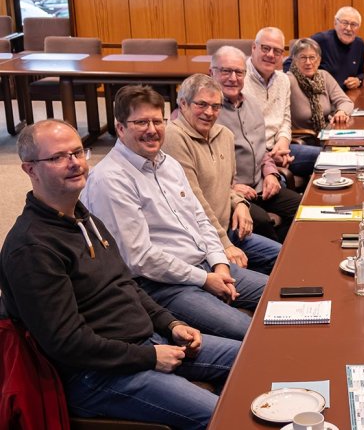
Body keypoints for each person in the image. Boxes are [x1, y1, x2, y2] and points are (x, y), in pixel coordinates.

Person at [0, 119, 240, 429]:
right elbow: (68, 344)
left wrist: (171, 324)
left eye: (78, 152)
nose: (75, 163)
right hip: (96, 375)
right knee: (228, 417)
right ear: (30, 169)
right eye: (58, 157)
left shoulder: (84, 218)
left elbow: (126, 284)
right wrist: (149, 358)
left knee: (253, 359)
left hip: (144, 342)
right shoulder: (31, 248)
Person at [81, 85, 267, 341]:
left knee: (282, 296)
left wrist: (220, 263)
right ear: (120, 127)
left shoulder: (168, 164)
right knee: (254, 335)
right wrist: (204, 278)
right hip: (164, 285)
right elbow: (139, 258)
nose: (152, 129)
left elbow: (200, 219)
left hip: (206, 265)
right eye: (141, 122)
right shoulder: (110, 180)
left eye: (158, 121)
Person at [162, 75, 279, 274]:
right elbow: (194, 199)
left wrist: (240, 202)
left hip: (228, 231)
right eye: (201, 104)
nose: (209, 112)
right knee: (268, 283)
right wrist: (224, 244)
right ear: (183, 104)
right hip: (201, 243)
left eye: (216, 106)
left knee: (287, 258)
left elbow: (228, 186)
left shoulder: (225, 135)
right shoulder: (173, 137)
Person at [209, 48, 286, 265]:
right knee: (261, 221)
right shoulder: (208, 114)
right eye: (226, 71)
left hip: (261, 185)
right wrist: (232, 188)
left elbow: (260, 148)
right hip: (235, 193)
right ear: (211, 72)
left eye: (239, 72)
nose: (233, 78)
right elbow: (208, 167)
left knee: (299, 207)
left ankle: (295, 256)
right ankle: (279, 269)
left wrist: (270, 173)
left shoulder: (252, 104)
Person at [243, 27, 320, 181]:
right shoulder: (239, 79)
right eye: (265, 48)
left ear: (282, 55)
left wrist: (283, 142)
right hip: (253, 156)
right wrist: (269, 156)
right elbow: (242, 133)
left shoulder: (283, 80)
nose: (271, 55)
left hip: (281, 148)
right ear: (254, 47)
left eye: (277, 51)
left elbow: (285, 119)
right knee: (278, 185)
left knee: (331, 159)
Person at [288, 37, 355, 132]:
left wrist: (341, 112)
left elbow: (345, 101)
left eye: (312, 57)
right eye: (303, 57)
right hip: (303, 137)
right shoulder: (288, 81)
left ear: (319, 60)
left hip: (327, 133)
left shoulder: (324, 76)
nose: (308, 62)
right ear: (294, 60)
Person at [311, 6, 364, 90]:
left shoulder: (359, 44)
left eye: (353, 24)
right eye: (345, 23)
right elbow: (292, 63)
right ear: (335, 23)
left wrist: (358, 80)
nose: (348, 28)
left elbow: (360, 73)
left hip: (348, 94)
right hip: (322, 93)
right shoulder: (319, 40)